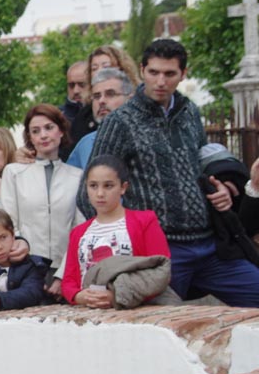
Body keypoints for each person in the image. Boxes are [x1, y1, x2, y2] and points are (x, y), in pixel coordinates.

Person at [80, 39, 259, 306]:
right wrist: (126, 246)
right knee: (153, 326)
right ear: (142, 70)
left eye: (169, 73)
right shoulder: (120, 122)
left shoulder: (190, 112)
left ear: (183, 74)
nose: (161, 81)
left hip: (209, 246)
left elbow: (201, 167)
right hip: (158, 253)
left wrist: (219, 186)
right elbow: (88, 193)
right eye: (154, 72)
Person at [62, 155, 171, 308]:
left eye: (108, 186)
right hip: (89, 312)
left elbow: (160, 271)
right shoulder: (78, 233)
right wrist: (79, 296)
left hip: (136, 310)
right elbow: (69, 281)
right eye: (93, 186)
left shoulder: (145, 221)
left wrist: (119, 295)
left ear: (123, 187)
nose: (100, 193)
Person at [0, 104, 84, 299]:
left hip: (66, 270)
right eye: (35, 131)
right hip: (25, 269)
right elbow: (8, 222)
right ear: (29, 137)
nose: (43, 135)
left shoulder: (77, 176)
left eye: (49, 128)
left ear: (61, 131)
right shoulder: (14, 173)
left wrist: (63, 274)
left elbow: (79, 230)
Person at [66, 67, 135, 170]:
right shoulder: (85, 144)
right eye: (96, 96)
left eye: (110, 94)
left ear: (130, 100)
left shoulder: (147, 139)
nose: (101, 101)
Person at [61, 61, 89, 129]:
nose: (75, 91)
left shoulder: (101, 113)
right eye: (71, 85)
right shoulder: (58, 116)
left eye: (82, 85)